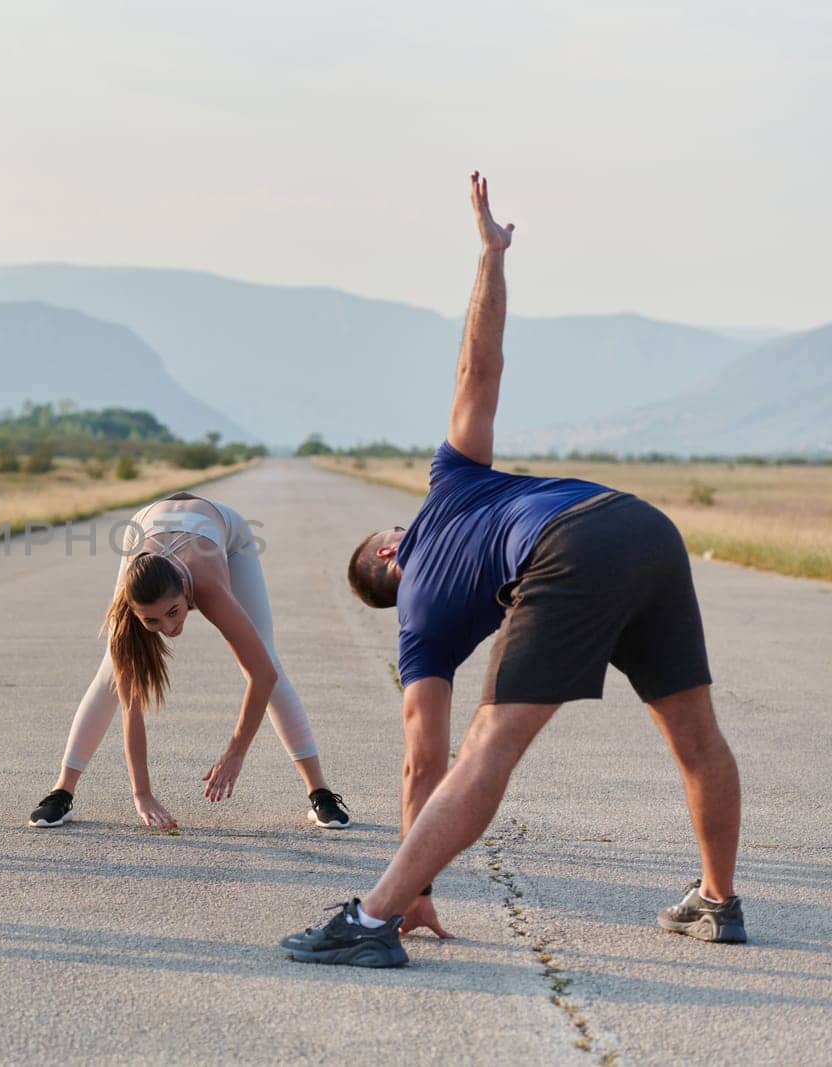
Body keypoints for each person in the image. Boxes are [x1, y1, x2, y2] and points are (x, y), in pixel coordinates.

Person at [282, 173, 745, 967]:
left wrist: (419, 880)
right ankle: (718, 900)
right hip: (641, 524)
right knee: (696, 734)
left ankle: (373, 919)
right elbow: (479, 370)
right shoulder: (451, 481)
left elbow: (422, 761)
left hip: (568, 551)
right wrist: (491, 258)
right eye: (392, 530)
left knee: (486, 747)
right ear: (392, 551)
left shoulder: (420, 625)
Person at [28, 491, 350, 831]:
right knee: (111, 672)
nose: (169, 629)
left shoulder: (208, 586)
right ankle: (61, 791)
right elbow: (131, 707)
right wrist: (142, 793)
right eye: (152, 621)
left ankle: (320, 792)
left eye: (174, 612)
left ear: (186, 590)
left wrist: (235, 752)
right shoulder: (128, 607)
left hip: (224, 532)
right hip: (145, 524)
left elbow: (263, 676)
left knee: (266, 660)